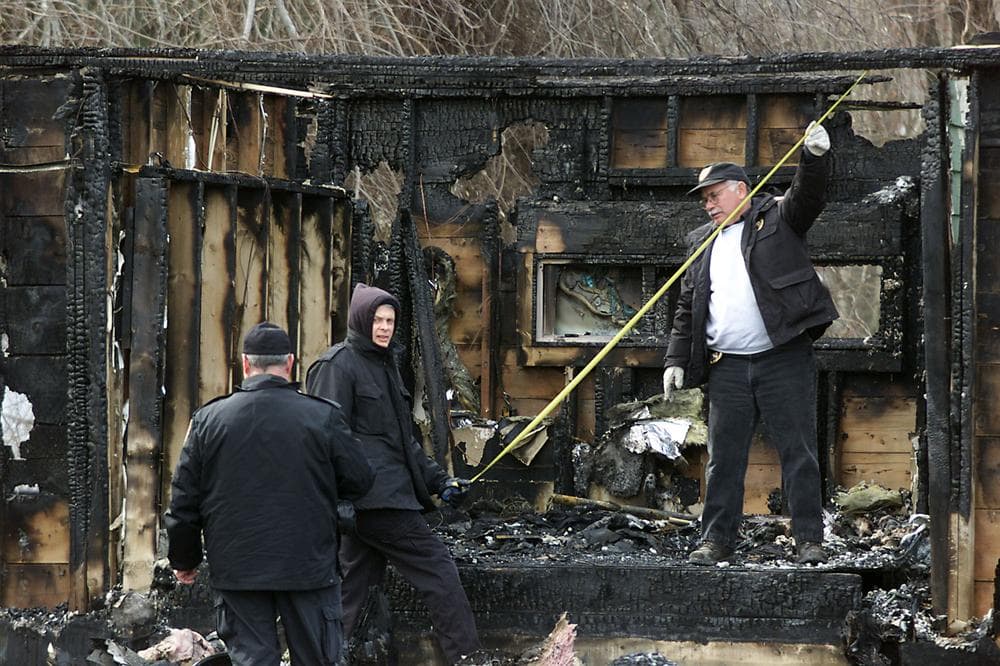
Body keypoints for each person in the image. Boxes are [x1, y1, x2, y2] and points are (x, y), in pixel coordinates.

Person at [662, 122, 838, 566]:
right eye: (703, 198)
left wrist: (814, 158)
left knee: (798, 454)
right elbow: (688, 307)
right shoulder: (699, 244)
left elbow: (808, 195)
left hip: (784, 358)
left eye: (714, 194)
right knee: (723, 461)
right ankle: (715, 542)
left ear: (740, 189)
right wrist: (676, 361)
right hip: (727, 368)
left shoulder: (777, 217)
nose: (708, 204)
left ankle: (809, 541)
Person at [165, 322, 374, 665]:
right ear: (290, 363)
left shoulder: (208, 420)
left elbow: (184, 501)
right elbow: (361, 479)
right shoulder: (322, 416)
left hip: (237, 569)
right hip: (308, 565)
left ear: (245, 364)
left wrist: (184, 560)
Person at [306, 282, 481, 664]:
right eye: (377, 320)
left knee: (352, 592)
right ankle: (466, 658)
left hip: (377, 500)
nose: (384, 327)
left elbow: (405, 442)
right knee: (439, 570)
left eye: (390, 320)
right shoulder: (337, 366)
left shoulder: (385, 367)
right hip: (375, 501)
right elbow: (323, 441)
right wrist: (337, 500)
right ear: (360, 320)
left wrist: (441, 482)